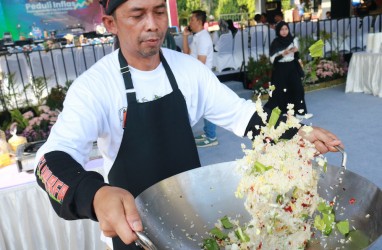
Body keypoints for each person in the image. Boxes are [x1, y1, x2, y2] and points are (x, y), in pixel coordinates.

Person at [34, 1, 341, 249]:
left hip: (195, 215)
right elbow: (49, 160)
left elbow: (242, 114)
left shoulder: (188, 70)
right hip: (135, 230)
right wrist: (95, 194)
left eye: (158, 11)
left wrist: (295, 131)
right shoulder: (95, 86)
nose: (152, 24)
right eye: (137, 15)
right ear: (111, 23)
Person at [182, 10, 218, 147]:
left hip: (202, 78)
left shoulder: (203, 38)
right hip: (196, 76)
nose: (190, 22)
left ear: (198, 21)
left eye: (192, 19)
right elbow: (187, 53)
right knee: (204, 106)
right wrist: (185, 36)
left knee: (207, 107)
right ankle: (208, 133)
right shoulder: (198, 36)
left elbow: (201, 62)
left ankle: (211, 137)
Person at [264, 21, 312, 119]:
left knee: (298, 88)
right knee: (282, 91)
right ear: (278, 31)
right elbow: (272, 59)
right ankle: (285, 112)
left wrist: (296, 52)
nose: (284, 31)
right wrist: (283, 54)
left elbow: (297, 55)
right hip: (280, 69)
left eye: (286, 29)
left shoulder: (293, 40)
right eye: (282, 29)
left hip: (292, 66)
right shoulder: (276, 42)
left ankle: (301, 112)